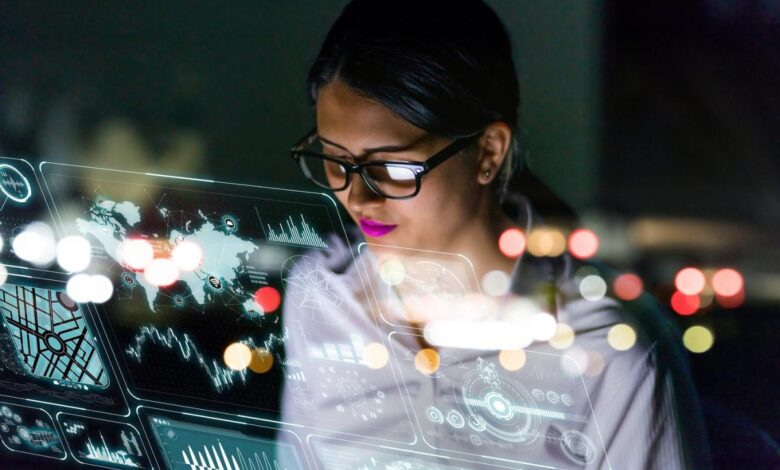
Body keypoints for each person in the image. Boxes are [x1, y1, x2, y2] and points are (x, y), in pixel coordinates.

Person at [278, 1, 711, 469]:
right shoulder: (322, 298)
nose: (358, 197)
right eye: (335, 159)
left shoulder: (607, 349)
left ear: (488, 152)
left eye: (393, 166)